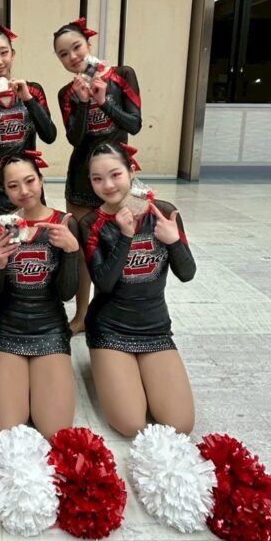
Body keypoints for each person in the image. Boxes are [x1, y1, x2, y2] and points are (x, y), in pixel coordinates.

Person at [78, 142, 195, 437]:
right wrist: (125, 236)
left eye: (115, 174)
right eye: (97, 179)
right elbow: (104, 284)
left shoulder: (164, 212)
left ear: (131, 171)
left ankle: (136, 372)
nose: (108, 185)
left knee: (180, 424)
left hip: (154, 329)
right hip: (109, 329)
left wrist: (174, 241)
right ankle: (107, 364)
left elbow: (187, 273)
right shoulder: (91, 223)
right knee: (130, 424)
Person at [53, 17, 142, 334]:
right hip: (81, 179)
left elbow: (133, 124)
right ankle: (81, 315)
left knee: (122, 244)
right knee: (82, 251)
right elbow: (75, 139)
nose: (72, 57)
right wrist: (82, 103)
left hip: (117, 177)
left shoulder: (122, 75)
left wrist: (104, 101)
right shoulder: (66, 93)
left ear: (89, 44)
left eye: (76, 47)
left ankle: (116, 312)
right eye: (63, 54)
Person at [0, 151, 79, 438]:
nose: (23, 191)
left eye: (29, 181)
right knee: (6, 428)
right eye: (13, 186)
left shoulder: (64, 223)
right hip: (8, 326)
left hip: (51, 326)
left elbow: (66, 293)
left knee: (54, 429)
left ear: (41, 180)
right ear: (5, 189)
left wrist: (71, 252)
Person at [0, 25, 57, 216]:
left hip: (27, 184)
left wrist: (28, 99)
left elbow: (50, 136)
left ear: (13, 54)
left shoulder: (32, 91)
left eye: (4, 53)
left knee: (32, 235)